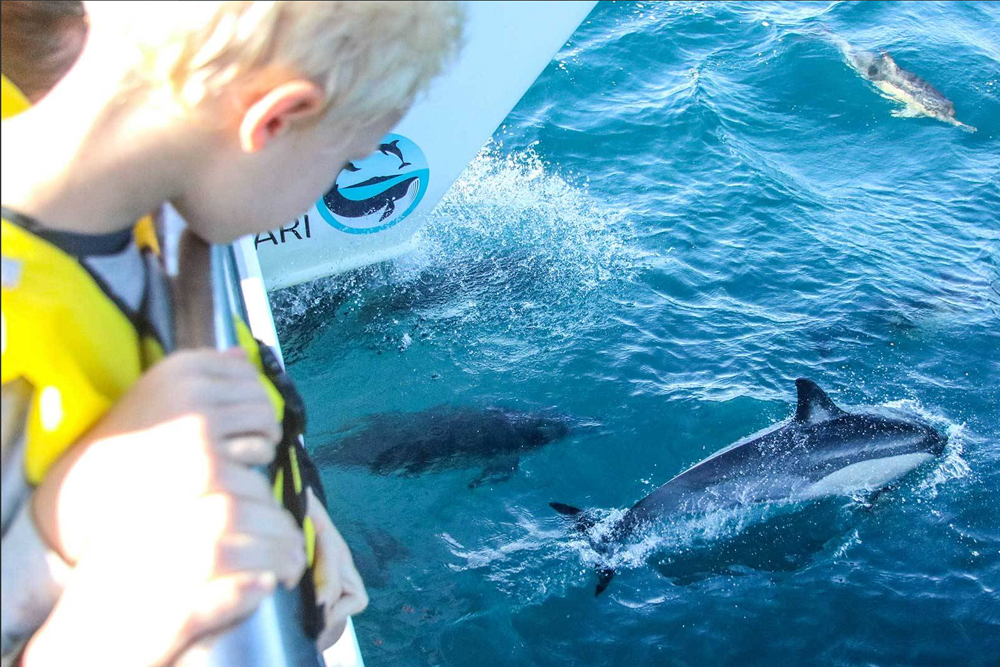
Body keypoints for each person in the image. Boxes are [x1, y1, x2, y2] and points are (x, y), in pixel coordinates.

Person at [0, 2, 463, 664]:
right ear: (272, 119)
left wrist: (302, 513)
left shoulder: (136, 197)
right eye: (344, 162)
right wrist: (101, 623)